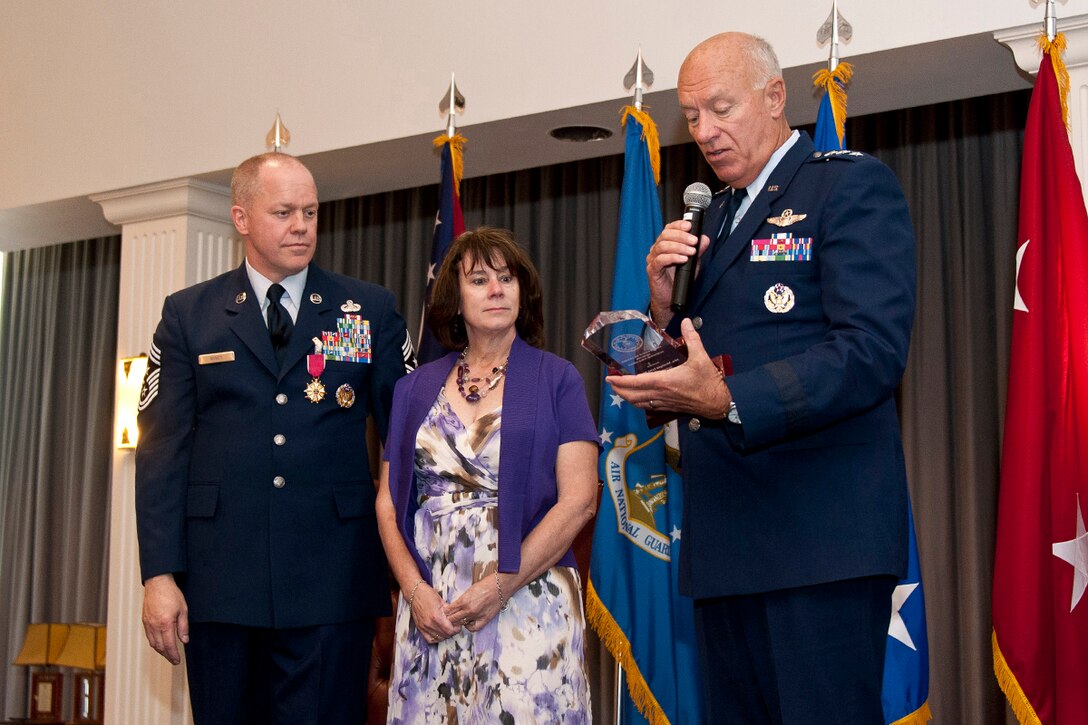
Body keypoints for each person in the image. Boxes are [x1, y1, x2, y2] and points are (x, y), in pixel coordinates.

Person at [607, 32, 916, 723]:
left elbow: (871, 350)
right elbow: (698, 361)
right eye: (692, 116)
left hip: (819, 541)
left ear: (775, 97)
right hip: (726, 541)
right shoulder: (711, 215)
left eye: (721, 109)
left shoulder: (845, 185)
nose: (704, 132)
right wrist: (662, 309)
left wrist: (729, 398)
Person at [135, 152, 415, 724]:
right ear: (241, 218)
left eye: (310, 212)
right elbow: (162, 452)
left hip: (332, 578)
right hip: (220, 581)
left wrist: (415, 560)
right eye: (284, 212)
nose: (301, 226)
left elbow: (408, 439)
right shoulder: (190, 315)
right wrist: (160, 575)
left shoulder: (367, 310)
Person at [376, 226, 598, 723]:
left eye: (507, 277)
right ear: (455, 299)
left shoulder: (557, 378)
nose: (497, 289)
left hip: (528, 600)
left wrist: (500, 586)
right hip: (433, 608)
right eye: (479, 280)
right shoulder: (412, 390)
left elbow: (580, 500)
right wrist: (415, 592)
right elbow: (389, 503)